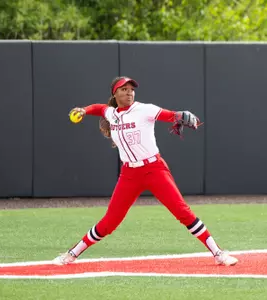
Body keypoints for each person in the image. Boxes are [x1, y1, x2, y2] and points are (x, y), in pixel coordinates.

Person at [53, 76, 238, 266]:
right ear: (115, 93)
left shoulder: (144, 109)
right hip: (129, 175)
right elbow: (100, 108)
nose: (129, 92)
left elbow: (169, 115)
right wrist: (84, 110)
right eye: (123, 89)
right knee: (110, 221)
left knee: (182, 212)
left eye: (131, 89)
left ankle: (218, 253)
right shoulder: (111, 114)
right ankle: (71, 254)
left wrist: (179, 115)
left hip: (154, 169)